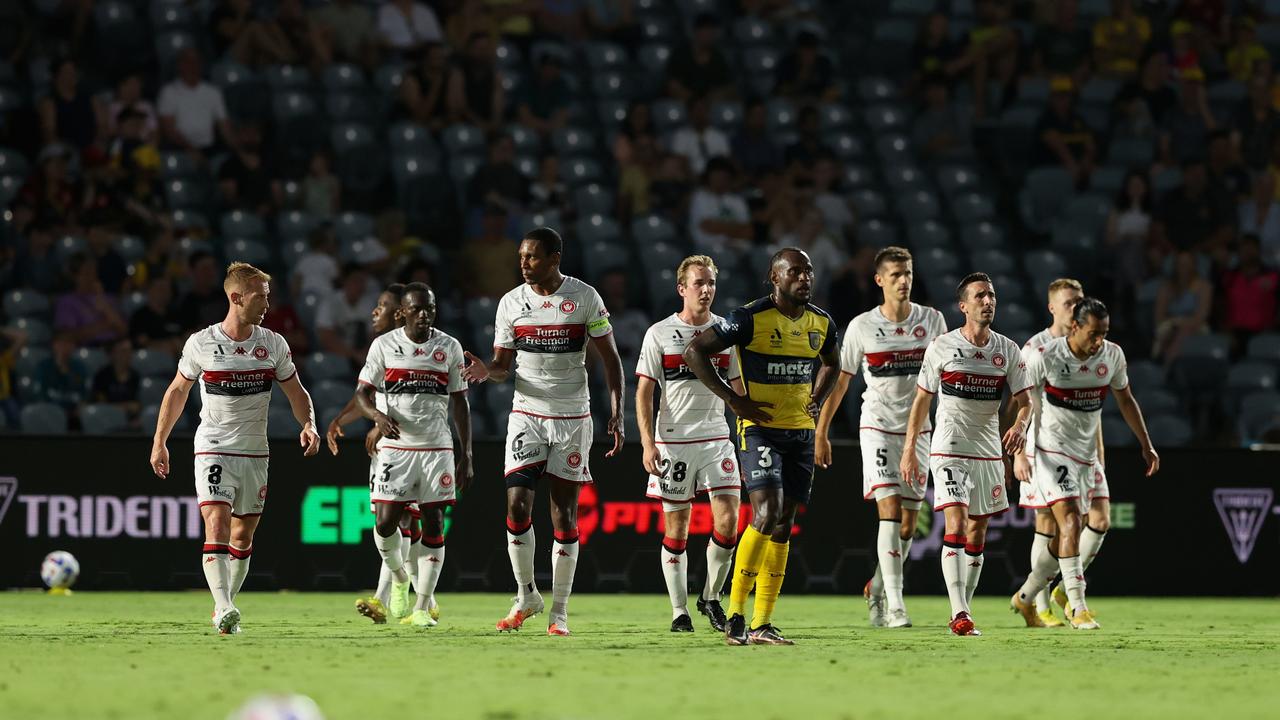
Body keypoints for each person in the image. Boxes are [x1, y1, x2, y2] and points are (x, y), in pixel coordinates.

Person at [461, 227, 625, 636]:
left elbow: (611, 360)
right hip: (527, 414)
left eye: (533, 257)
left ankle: (560, 611)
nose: (524, 263)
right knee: (517, 505)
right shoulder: (511, 303)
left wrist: (618, 412)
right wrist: (488, 369)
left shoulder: (585, 298)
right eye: (521, 256)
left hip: (572, 417)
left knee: (563, 515)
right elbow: (502, 365)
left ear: (554, 259)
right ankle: (527, 594)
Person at [149, 262, 321, 634]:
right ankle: (225, 606)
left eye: (268, 296)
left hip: (255, 451)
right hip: (213, 446)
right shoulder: (202, 343)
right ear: (236, 297)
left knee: (243, 537)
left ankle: (223, 606)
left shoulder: (273, 343)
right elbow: (177, 391)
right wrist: (159, 442)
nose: (266, 304)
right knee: (218, 523)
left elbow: (295, 391)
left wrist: (308, 423)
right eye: (260, 297)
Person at [684, 247, 841, 645]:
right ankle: (735, 614)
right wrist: (734, 400)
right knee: (766, 513)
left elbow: (832, 364)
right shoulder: (749, 319)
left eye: (808, 271)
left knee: (784, 524)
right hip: (760, 431)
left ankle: (762, 623)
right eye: (795, 271)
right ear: (775, 277)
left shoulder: (821, 322)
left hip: (801, 433)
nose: (805, 278)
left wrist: (818, 398)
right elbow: (696, 351)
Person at [815, 246, 946, 629]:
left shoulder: (933, 321)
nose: (903, 281)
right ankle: (896, 605)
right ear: (879, 281)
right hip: (877, 428)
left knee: (908, 525)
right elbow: (840, 384)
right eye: (895, 275)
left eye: (907, 273)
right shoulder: (861, 327)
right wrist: (821, 431)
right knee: (888, 512)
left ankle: (876, 587)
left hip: (918, 431)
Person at [1011, 298, 1159, 630]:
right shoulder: (1046, 356)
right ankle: (1077, 606)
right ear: (1074, 327)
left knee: (1099, 520)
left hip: (1087, 454)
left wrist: (1146, 444)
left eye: (1104, 334)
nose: (1098, 342)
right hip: (1052, 452)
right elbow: (1021, 401)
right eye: (1093, 334)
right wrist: (1020, 447)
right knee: (1069, 524)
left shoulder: (1111, 355)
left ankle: (1027, 594)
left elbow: (1125, 399)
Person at [900, 272, 1033, 636]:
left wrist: (1020, 427)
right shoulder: (942, 347)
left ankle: (964, 608)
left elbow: (1026, 402)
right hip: (949, 446)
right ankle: (959, 613)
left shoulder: (1007, 350)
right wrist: (911, 448)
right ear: (964, 306)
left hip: (988, 450)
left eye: (991, 295)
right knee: (956, 525)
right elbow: (921, 401)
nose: (988, 301)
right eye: (980, 296)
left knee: (977, 534)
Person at [634, 255, 744, 633]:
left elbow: (738, 390)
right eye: (699, 283)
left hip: (716, 437)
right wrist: (648, 444)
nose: (707, 289)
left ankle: (710, 597)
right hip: (674, 442)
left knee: (729, 522)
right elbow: (644, 391)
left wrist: (747, 428)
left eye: (711, 282)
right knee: (677, 529)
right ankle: (679, 611)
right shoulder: (659, 334)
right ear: (682, 289)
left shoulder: (726, 332)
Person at [354, 282, 471, 627]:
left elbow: (460, 401)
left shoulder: (449, 346)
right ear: (402, 312)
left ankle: (422, 606)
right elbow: (362, 393)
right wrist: (377, 416)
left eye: (430, 309)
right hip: (396, 447)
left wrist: (468, 454)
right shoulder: (384, 346)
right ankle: (400, 579)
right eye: (417, 309)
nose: (425, 315)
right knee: (385, 522)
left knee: (434, 523)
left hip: (437, 447)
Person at [324, 284, 421, 624]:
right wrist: (341, 419)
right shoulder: (382, 349)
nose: (373, 312)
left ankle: (393, 595)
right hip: (387, 448)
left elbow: (416, 398)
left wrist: (381, 423)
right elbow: (367, 394)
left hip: (412, 447)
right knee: (392, 522)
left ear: (399, 313)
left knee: (400, 518)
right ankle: (411, 595)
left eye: (382, 306)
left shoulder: (415, 349)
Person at [1011, 278, 1086, 628]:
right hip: (1040, 449)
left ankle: (1040, 596)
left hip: (1075, 450)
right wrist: (1019, 453)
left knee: (1079, 523)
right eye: (1069, 303)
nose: (1076, 308)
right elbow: (1021, 402)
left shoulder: (1086, 346)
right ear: (1052, 307)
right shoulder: (1035, 348)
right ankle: (1042, 605)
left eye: (1079, 302)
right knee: (1047, 523)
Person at [157, 48, 239, 161]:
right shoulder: (169, 92)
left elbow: (224, 126)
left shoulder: (213, 92)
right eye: (188, 61)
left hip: (209, 148)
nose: (192, 65)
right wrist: (190, 149)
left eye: (196, 61)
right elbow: (169, 129)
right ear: (180, 65)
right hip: (180, 148)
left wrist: (239, 149)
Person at [669, 95, 730, 177]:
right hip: (691, 179)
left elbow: (725, 161)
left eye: (703, 110)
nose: (700, 114)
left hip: (716, 179)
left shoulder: (719, 136)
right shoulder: (681, 136)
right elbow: (680, 162)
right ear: (689, 113)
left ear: (708, 112)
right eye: (696, 110)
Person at [92, 337, 141, 424]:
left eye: (130, 351)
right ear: (112, 354)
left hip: (131, 420)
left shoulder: (135, 376)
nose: (128, 355)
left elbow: (137, 405)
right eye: (123, 351)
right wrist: (125, 407)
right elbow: (101, 404)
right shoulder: (102, 376)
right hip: (106, 419)